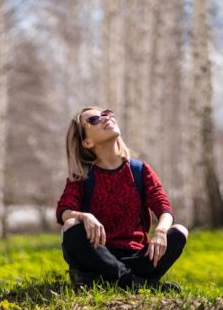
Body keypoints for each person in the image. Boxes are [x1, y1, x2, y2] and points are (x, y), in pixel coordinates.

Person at [55, 106, 188, 291]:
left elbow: (164, 208)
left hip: (137, 257)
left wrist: (160, 231)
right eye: (94, 120)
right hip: (99, 255)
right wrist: (84, 216)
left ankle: (114, 280)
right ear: (86, 142)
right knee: (71, 226)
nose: (105, 118)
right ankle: (138, 284)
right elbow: (63, 212)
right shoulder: (82, 176)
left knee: (179, 231)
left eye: (106, 113)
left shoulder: (140, 170)